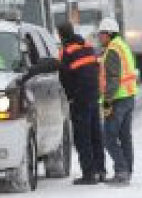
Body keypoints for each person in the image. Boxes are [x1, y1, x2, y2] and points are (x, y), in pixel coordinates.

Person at [57, 22, 106, 184]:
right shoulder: (87, 46)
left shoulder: (67, 52)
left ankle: (89, 174)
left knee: (82, 137)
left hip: (80, 98)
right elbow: (95, 69)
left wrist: (70, 97)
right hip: (93, 95)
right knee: (95, 134)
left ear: (61, 35)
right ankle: (101, 171)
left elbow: (65, 77)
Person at [97, 17, 137, 185]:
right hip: (128, 97)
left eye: (101, 34)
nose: (99, 37)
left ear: (108, 34)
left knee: (109, 138)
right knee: (125, 137)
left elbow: (113, 79)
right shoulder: (123, 46)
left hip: (117, 99)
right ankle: (127, 170)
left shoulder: (113, 50)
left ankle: (121, 172)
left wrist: (107, 101)